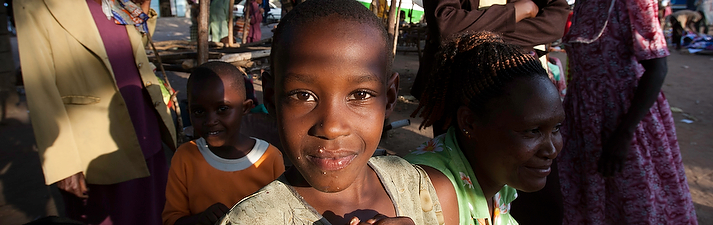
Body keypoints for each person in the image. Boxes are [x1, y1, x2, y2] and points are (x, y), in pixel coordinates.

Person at [217, 0, 447, 224]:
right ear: (271, 99)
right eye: (303, 95)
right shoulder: (251, 220)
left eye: (360, 95)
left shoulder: (417, 187)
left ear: (389, 98)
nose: (331, 127)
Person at [15, 0, 175, 224]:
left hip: (145, 127)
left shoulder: (115, 1)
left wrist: (143, 7)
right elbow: (39, 86)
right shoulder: (35, 4)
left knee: (155, 213)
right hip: (95, 147)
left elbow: (132, 50)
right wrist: (64, 164)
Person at [404, 31, 565, 225]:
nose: (552, 150)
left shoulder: (498, 180)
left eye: (556, 128)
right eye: (532, 131)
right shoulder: (432, 192)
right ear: (469, 122)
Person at [560, 0, 698, 222]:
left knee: (635, 204)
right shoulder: (584, 2)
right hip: (583, 121)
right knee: (591, 202)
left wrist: (624, 135)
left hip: (624, 122)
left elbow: (657, 68)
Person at [162, 62, 285, 225]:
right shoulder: (184, 158)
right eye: (199, 111)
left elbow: (283, 214)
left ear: (245, 108)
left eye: (222, 109)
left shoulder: (269, 158)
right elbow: (172, 220)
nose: (210, 121)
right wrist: (201, 219)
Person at [410, 0, 570, 105]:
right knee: (455, 151)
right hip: (455, 84)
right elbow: (446, 25)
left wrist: (473, 33)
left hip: (517, 83)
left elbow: (555, 24)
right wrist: (516, 11)